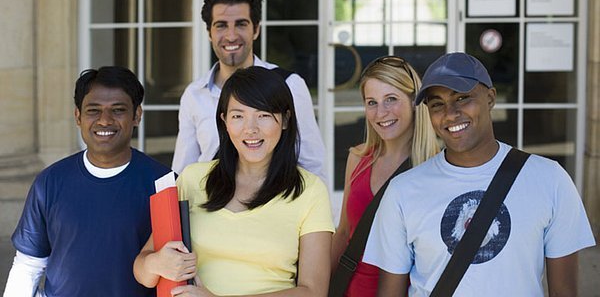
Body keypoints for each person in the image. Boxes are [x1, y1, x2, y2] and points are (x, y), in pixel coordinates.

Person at [363, 52, 596, 296]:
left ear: (491, 98)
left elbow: (564, 292)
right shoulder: (402, 191)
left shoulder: (550, 180)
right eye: (437, 104)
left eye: (463, 98)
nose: (450, 113)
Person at [134, 66, 334, 296]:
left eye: (264, 115)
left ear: (286, 120)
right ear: (225, 122)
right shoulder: (192, 179)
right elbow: (143, 270)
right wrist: (155, 263)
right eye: (238, 116)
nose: (251, 129)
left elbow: (314, 291)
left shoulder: (310, 191)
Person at [4, 66, 170, 297]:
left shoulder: (163, 184)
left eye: (118, 110)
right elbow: (29, 264)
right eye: (94, 110)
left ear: (137, 115)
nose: (105, 121)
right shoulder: (50, 182)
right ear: (78, 116)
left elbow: (174, 269)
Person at [172, 0, 325, 180]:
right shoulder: (194, 94)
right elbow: (182, 172)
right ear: (209, 32)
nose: (231, 35)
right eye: (221, 26)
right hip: (209, 206)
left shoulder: (289, 85)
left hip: (274, 207)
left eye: (241, 24)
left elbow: (313, 165)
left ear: (256, 29)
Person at [330, 56, 440, 297]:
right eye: (372, 102)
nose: (381, 112)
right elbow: (344, 232)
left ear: (414, 100)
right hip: (350, 289)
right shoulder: (358, 159)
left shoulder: (436, 167)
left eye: (391, 99)